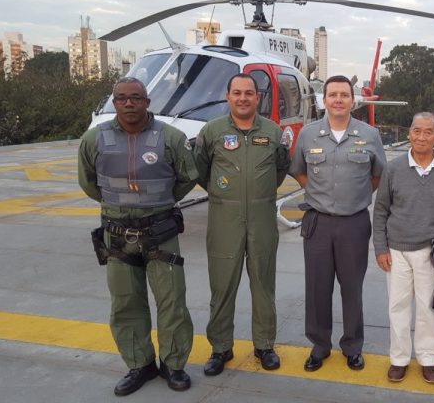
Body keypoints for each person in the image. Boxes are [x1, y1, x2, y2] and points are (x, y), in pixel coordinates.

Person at [78, 77, 197, 396]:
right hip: (116, 236)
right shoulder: (94, 139)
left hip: (161, 233)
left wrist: (158, 203)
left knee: (172, 302)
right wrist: (118, 206)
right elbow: (88, 183)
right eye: (121, 98)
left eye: (135, 97)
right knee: (125, 302)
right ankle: (139, 364)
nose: (128, 103)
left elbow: (187, 177)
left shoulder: (171, 138)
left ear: (147, 101)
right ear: (113, 103)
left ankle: (173, 364)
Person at [193, 73, 290, 375]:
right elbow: (200, 169)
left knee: (264, 285)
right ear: (228, 96)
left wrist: (257, 195)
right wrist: (226, 194)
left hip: (262, 220)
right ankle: (221, 347)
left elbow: (280, 170)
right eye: (237, 93)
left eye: (249, 93)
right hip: (224, 220)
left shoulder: (273, 132)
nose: (243, 98)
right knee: (222, 287)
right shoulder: (212, 131)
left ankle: (264, 346)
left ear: (257, 98)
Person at [289, 75, 387, 372]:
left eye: (345, 95)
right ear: (324, 100)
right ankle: (319, 345)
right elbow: (298, 171)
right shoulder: (308, 135)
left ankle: (352, 346)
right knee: (318, 288)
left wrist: (356, 197)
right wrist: (319, 195)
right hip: (318, 223)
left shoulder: (369, 134)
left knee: (352, 288)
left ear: (353, 100)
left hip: (354, 223)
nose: (338, 100)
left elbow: (378, 175)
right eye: (333, 95)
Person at [372, 112, 434, 384]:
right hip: (396, 251)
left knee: (427, 308)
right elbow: (381, 211)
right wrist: (380, 248)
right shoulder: (393, 169)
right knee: (397, 307)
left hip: (430, 253)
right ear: (409, 133)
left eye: (428, 131)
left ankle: (429, 359)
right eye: (416, 130)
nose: (422, 136)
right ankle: (399, 359)